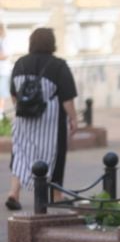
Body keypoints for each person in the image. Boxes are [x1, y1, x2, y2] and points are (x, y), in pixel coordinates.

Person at [7, 28, 78, 210]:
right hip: (51, 121)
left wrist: (22, 109)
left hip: (24, 119)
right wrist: (73, 119)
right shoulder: (59, 66)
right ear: (52, 43)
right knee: (55, 154)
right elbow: (67, 98)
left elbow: (14, 93)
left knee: (21, 153)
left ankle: (14, 192)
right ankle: (56, 194)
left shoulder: (20, 63)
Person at [0, 21, 11, 116]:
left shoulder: (5, 40)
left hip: (3, 71)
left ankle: (0, 114)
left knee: (2, 93)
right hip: (3, 70)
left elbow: (5, 55)